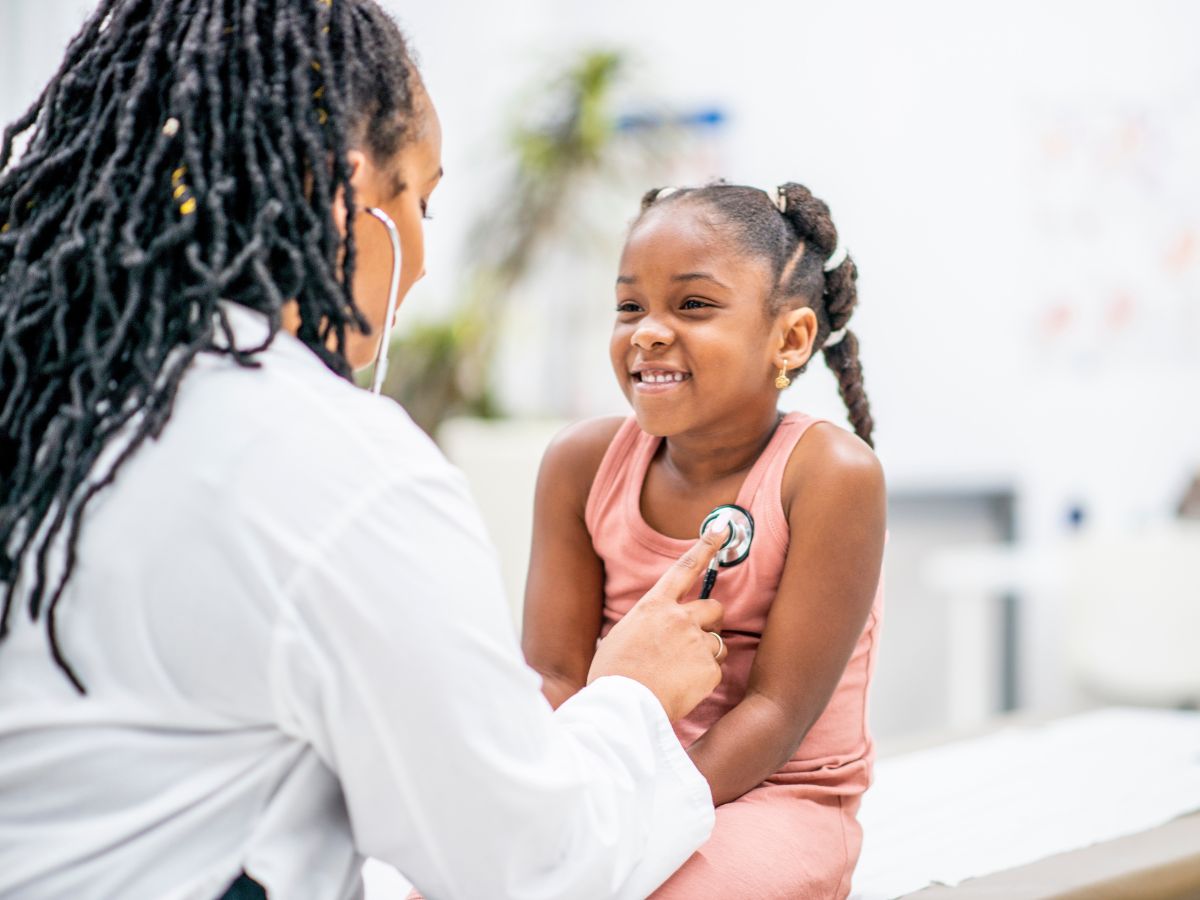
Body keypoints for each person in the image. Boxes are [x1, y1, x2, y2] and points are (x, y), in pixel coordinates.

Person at [0, 2, 733, 897]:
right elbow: (524, 862)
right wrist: (632, 698)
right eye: (418, 200)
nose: (421, 259)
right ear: (338, 195)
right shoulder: (327, 465)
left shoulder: (42, 397)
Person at [522, 183, 887, 898]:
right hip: (613, 776)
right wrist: (559, 813)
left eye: (692, 305)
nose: (648, 331)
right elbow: (556, 678)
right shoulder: (580, 465)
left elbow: (775, 713)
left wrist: (630, 819)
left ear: (790, 338)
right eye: (630, 306)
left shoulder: (831, 476)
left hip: (773, 796)